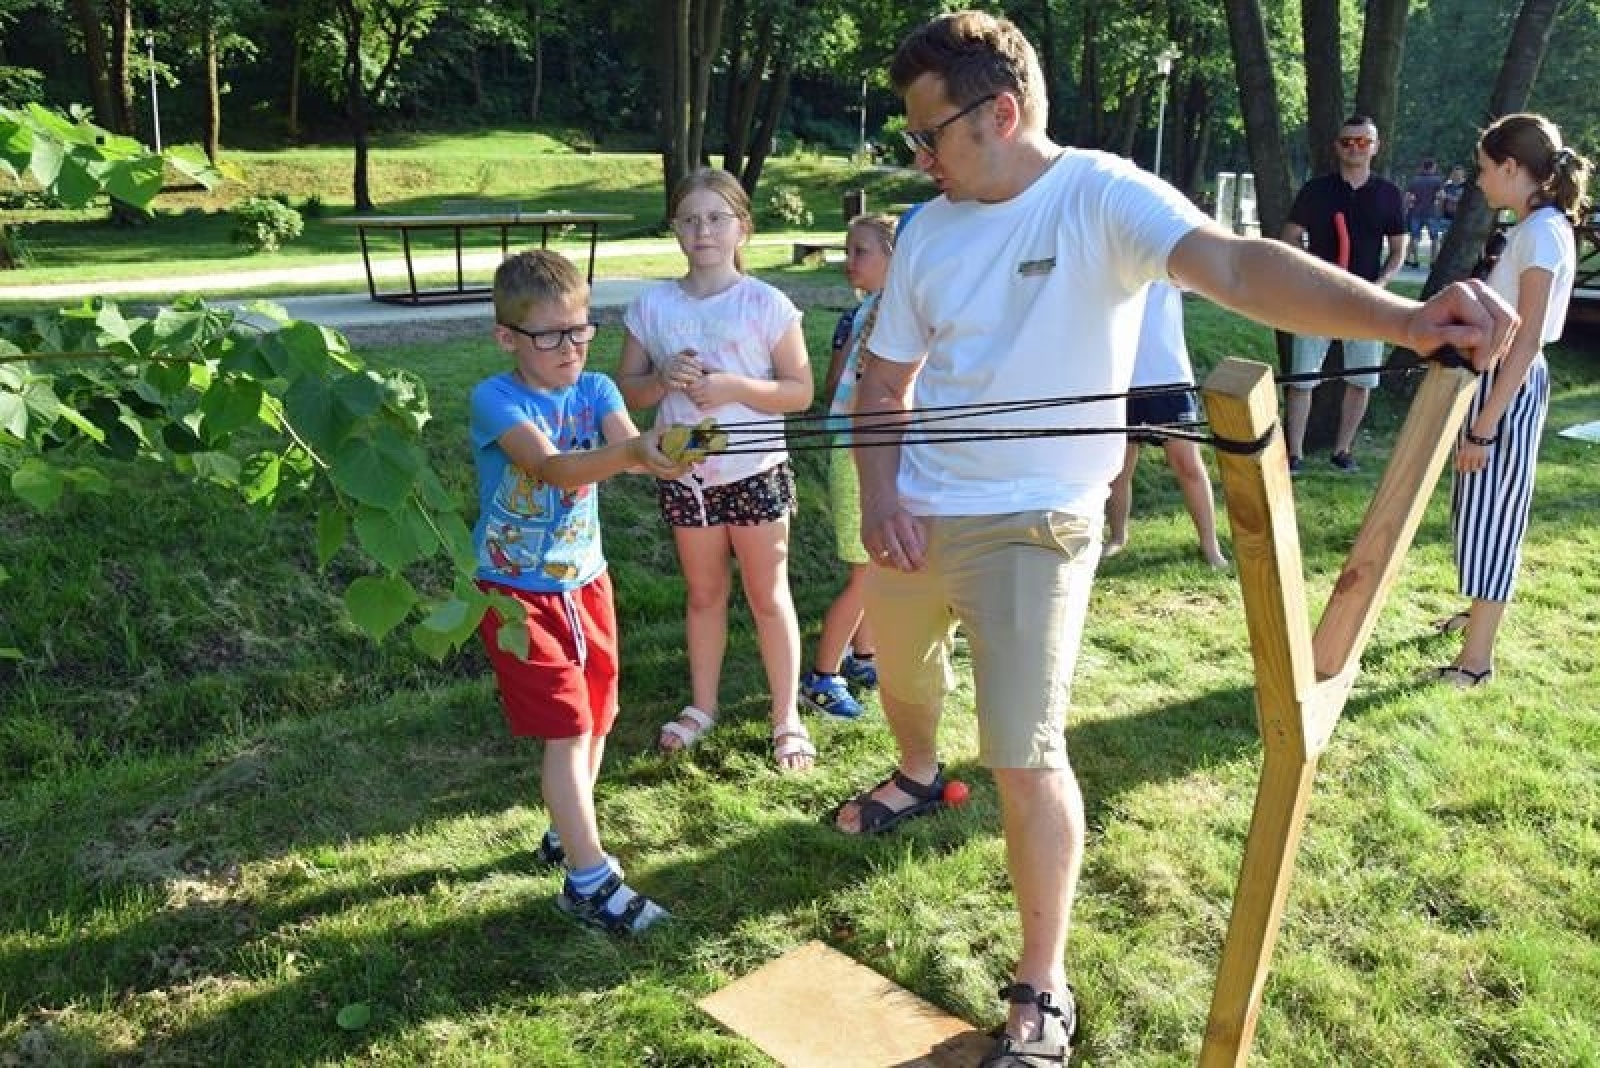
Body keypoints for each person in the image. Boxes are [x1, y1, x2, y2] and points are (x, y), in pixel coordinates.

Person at [831, 12, 1515, 1063]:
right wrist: (881, 492)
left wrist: (1404, 320)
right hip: (919, 510)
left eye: (931, 136)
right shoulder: (926, 231)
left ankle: (1041, 983)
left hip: (1037, 520)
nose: (919, 158)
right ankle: (917, 771)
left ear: (1001, 114)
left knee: (1022, 754)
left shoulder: (1100, 194)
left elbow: (1238, 268)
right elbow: (886, 381)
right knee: (904, 690)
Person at [470, 249, 685, 934]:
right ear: (509, 337)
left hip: (585, 581)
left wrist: (668, 452)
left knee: (600, 716)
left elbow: (632, 445)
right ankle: (588, 881)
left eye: (583, 329)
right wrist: (632, 454)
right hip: (514, 594)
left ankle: (568, 831)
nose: (571, 346)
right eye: (552, 334)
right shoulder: (495, 398)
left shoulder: (596, 389)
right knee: (567, 727)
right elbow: (554, 467)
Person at [616, 167, 818, 771]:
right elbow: (630, 391)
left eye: (716, 218)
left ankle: (786, 719)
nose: (702, 230)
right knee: (704, 594)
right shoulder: (650, 305)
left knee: (767, 596)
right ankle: (702, 707)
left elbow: (801, 390)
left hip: (756, 469)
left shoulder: (766, 303)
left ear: (742, 228)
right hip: (688, 473)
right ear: (675, 229)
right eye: (690, 219)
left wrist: (734, 385)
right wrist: (659, 379)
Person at [1432, 114, 1588, 688]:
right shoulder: (1532, 227)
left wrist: (1485, 427)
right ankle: (1476, 619)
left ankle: (1476, 662)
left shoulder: (1544, 232)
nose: (1478, 181)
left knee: (1494, 518)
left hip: (1510, 387)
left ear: (1511, 167)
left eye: (1483, 169)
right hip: (1494, 381)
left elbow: (1526, 338)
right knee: (1474, 509)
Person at [799, 212, 900, 720]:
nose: (847, 261)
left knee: (870, 564)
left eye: (860, 251)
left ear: (893, 257)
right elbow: (857, 389)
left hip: (863, 449)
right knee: (869, 574)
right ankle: (822, 675)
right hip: (859, 452)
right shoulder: (880, 315)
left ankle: (865, 655)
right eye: (848, 249)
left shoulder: (883, 310)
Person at [1279, 115, 1409, 475]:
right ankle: (1294, 454)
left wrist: (1380, 285)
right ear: (1337, 146)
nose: (1355, 148)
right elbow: (1289, 236)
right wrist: (1309, 271)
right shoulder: (1316, 190)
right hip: (1317, 296)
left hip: (1366, 299)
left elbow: (1398, 249)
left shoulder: (1388, 194)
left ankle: (1343, 450)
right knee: (1303, 376)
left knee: (1362, 377)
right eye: (1348, 141)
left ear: (1375, 147)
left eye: (1363, 142)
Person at [1104, 279, 1229, 569]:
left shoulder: (1166, 261)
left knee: (1187, 465)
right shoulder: (1111, 258)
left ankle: (1211, 549)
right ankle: (1117, 538)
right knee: (1118, 468)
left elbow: (1208, 278)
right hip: (1121, 379)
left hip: (1170, 378)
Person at [1405, 158, 1446, 267]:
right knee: (1434, 238)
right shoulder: (1437, 180)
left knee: (1414, 237)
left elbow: (1408, 197)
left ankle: (1414, 260)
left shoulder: (1415, 180)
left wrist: (1408, 208)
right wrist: (1439, 205)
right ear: (1432, 167)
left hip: (1416, 212)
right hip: (1431, 213)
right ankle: (1433, 261)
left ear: (1423, 167)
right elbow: (1442, 196)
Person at [1439, 164, 1468, 239]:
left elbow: (1462, 200)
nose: (1456, 176)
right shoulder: (1447, 186)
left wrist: (1447, 197)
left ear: (1463, 174)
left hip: (1460, 218)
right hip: (1446, 217)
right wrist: (1440, 211)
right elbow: (1442, 201)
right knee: (1444, 238)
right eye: (1454, 174)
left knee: (1458, 239)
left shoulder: (1466, 186)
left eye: (1458, 174)